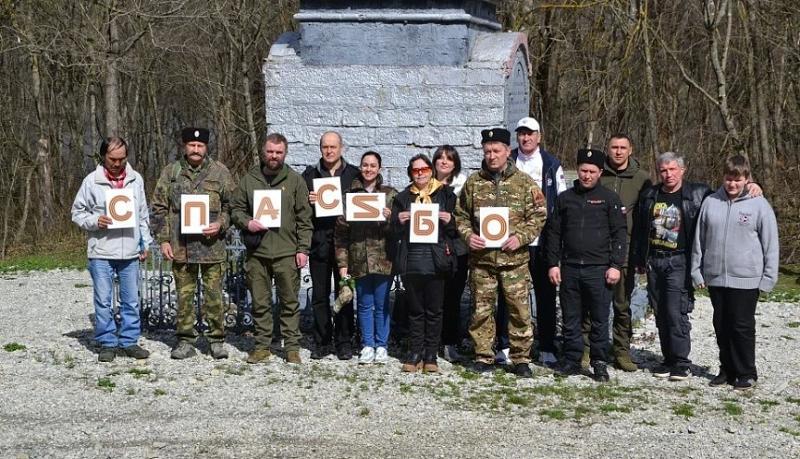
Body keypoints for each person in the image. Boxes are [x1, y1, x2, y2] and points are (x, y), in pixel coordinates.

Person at [454, 128, 547, 378]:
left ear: (508, 151)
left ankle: (520, 358)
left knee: (519, 310)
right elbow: (460, 215)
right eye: (487, 151)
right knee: (481, 310)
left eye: (496, 151)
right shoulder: (474, 183)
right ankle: (483, 355)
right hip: (482, 261)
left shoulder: (524, 182)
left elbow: (539, 216)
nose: (492, 156)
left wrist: (520, 238)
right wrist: (467, 235)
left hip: (514, 261)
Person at [691, 155, 778, 390]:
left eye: (738, 180)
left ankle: (746, 372)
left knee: (742, 326)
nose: (732, 184)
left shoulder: (759, 205)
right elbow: (700, 239)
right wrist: (697, 270)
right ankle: (726, 369)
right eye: (729, 179)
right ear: (723, 178)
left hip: (746, 279)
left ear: (747, 179)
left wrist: (768, 278)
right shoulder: (711, 202)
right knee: (721, 325)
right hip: (716, 277)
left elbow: (770, 243)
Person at [151, 127, 236, 360]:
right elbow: (158, 208)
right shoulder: (171, 172)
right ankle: (185, 340)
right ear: (184, 146)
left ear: (206, 147)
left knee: (214, 297)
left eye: (200, 146)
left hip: (212, 248)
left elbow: (233, 205)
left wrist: (221, 223)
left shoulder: (220, 172)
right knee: (184, 297)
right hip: (182, 247)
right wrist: (163, 240)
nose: (196, 149)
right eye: (191, 145)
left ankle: (216, 340)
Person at [544, 148, 627, 382]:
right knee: (571, 316)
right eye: (583, 170)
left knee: (600, 318)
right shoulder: (565, 199)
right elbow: (553, 234)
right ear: (577, 170)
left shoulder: (609, 199)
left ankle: (599, 361)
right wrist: (553, 264)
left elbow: (619, 234)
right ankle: (572, 358)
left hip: (599, 269)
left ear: (600, 172)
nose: (587, 176)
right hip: (570, 267)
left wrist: (615, 265)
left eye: (592, 171)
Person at [230, 133, 313, 364]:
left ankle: (292, 348)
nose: (273, 156)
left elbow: (304, 219)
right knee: (260, 302)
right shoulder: (249, 180)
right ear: (263, 152)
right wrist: (247, 222)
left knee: (289, 303)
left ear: (285, 153)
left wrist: (303, 249)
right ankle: (262, 346)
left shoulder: (295, 181)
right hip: (258, 253)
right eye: (270, 151)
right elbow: (236, 209)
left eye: (278, 152)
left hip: (287, 252)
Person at [71, 137, 152, 362]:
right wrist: (96, 220)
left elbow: (143, 214)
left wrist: (145, 243)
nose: (117, 163)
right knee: (103, 300)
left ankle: (129, 341)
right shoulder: (91, 182)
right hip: (101, 252)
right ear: (103, 157)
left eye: (122, 159)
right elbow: (77, 213)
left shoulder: (136, 180)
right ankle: (107, 342)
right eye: (112, 159)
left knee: (131, 300)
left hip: (129, 253)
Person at [495, 117, 566, 367]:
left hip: (543, 240)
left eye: (530, 134)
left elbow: (559, 203)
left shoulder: (551, 164)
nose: (525, 138)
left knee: (545, 294)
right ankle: (504, 345)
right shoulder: (507, 160)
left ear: (539, 137)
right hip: (511, 240)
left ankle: (546, 345)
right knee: (508, 295)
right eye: (521, 134)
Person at [583, 133, 652, 372]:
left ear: (630, 150)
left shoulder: (642, 179)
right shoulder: (597, 175)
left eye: (623, 147)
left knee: (622, 305)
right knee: (591, 303)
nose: (619, 152)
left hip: (625, 251)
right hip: (595, 250)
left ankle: (621, 351)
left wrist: (641, 253)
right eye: (614, 147)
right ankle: (587, 349)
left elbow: (647, 216)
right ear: (608, 150)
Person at [391, 154, 458, 373]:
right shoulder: (402, 197)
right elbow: (392, 230)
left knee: (435, 309)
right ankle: (415, 351)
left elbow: (460, 227)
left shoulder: (447, 194)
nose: (420, 173)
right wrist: (397, 220)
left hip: (436, 258)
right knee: (415, 309)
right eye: (415, 170)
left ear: (431, 170)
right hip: (412, 257)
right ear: (410, 173)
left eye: (424, 169)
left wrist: (450, 220)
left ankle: (431, 354)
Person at [302, 131, 361, 360]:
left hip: (345, 245)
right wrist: (309, 202)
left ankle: (344, 341)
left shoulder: (354, 175)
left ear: (341, 148)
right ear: (320, 149)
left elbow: (367, 201)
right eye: (325, 147)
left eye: (333, 147)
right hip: (320, 243)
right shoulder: (309, 175)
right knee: (319, 295)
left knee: (345, 293)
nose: (329, 151)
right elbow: (299, 210)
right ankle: (322, 341)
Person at [335, 151, 397, 365]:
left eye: (373, 165)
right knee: (363, 304)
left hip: (383, 260)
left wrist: (391, 220)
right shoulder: (349, 195)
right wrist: (343, 264)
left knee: (381, 305)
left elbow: (399, 232)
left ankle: (382, 345)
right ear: (360, 167)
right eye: (365, 165)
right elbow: (341, 234)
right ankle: (367, 345)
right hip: (359, 259)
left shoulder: (390, 195)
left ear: (379, 168)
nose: (369, 169)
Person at [432, 145, 470, 362]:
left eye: (449, 159)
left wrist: (452, 221)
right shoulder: (425, 184)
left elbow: (471, 216)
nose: (444, 162)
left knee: (453, 297)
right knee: (433, 297)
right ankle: (431, 341)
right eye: (440, 158)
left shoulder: (463, 186)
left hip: (457, 249)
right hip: (432, 247)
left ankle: (449, 342)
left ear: (455, 164)